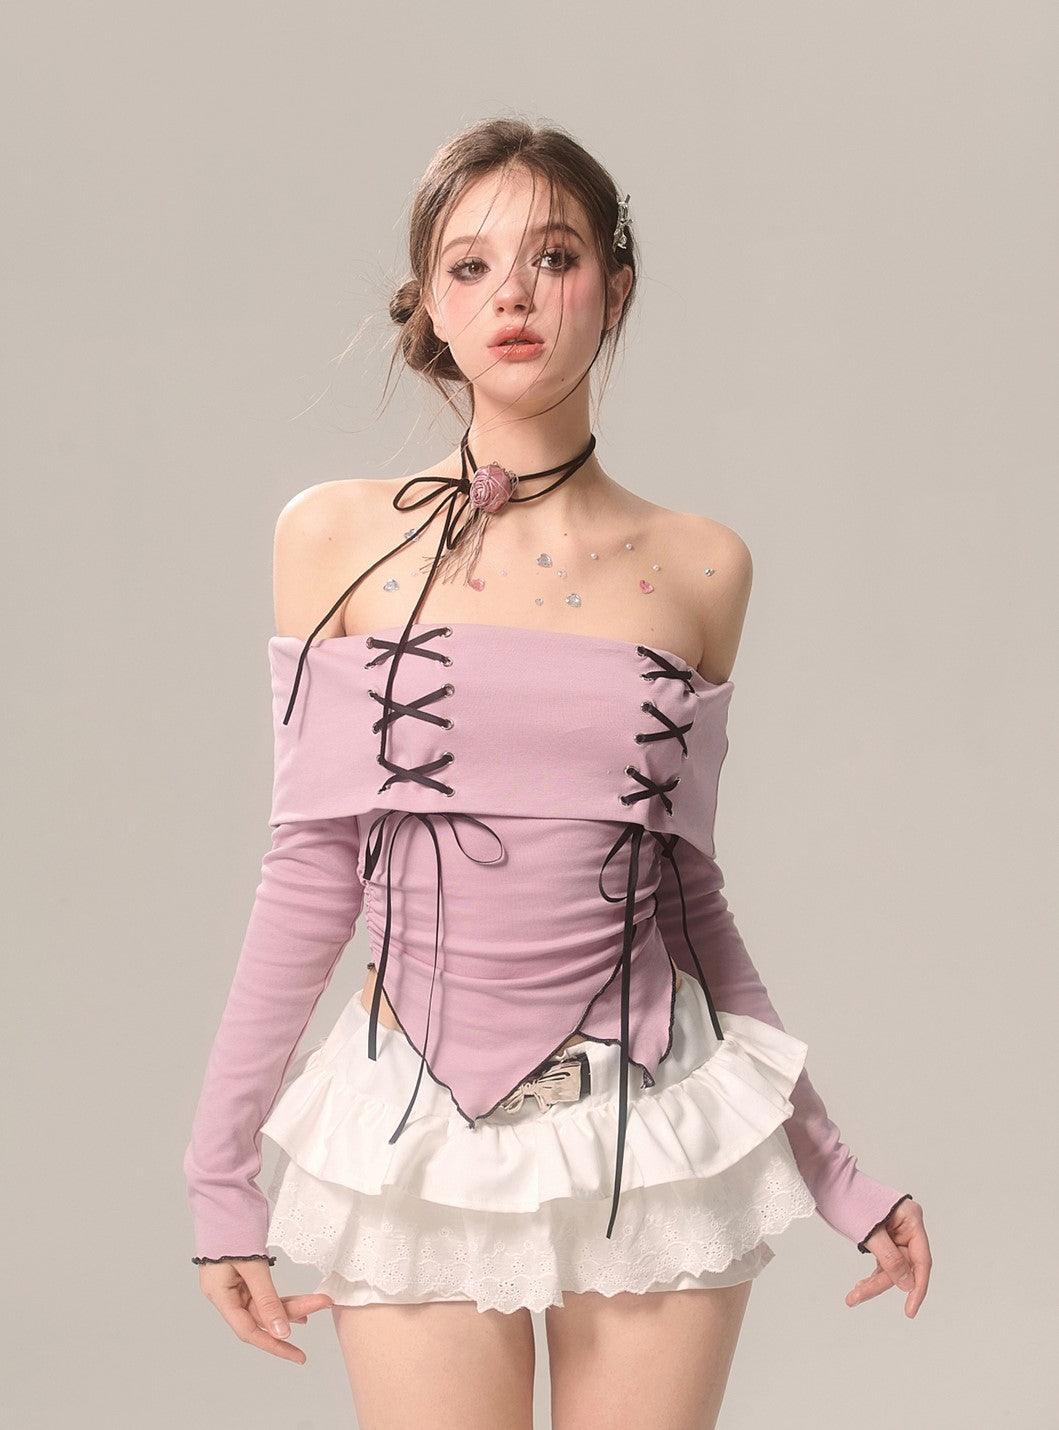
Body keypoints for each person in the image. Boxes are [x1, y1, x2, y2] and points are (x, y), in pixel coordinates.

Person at [183, 118, 931, 1429]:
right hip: (412, 1130)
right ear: (430, 307)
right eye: (469, 267)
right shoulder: (337, 540)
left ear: (616, 288)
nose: (513, 296)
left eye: (555, 256)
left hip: (651, 1120)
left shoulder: (701, 566)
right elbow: (311, 872)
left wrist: (837, 1168)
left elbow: (689, 900)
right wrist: (218, 1177)